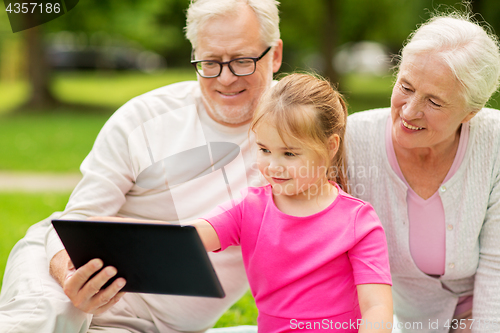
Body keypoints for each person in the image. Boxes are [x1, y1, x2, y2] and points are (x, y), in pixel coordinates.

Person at [0, 0, 283, 332]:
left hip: (144, 325)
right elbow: (77, 219)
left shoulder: (302, 134)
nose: (225, 78)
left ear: (275, 55)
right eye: (209, 62)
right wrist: (70, 275)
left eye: (242, 60)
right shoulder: (144, 119)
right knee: (48, 316)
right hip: (59, 275)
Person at [192, 73, 393, 332]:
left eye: (289, 153)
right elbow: (187, 240)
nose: (273, 166)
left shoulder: (358, 221)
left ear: (331, 146)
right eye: (264, 149)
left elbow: (377, 308)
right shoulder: (249, 208)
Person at [346, 12, 500, 333]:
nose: (410, 110)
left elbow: (497, 266)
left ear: (472, 111)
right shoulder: (351, 141)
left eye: (434, 101)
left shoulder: (494, 143)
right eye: (406, 86)